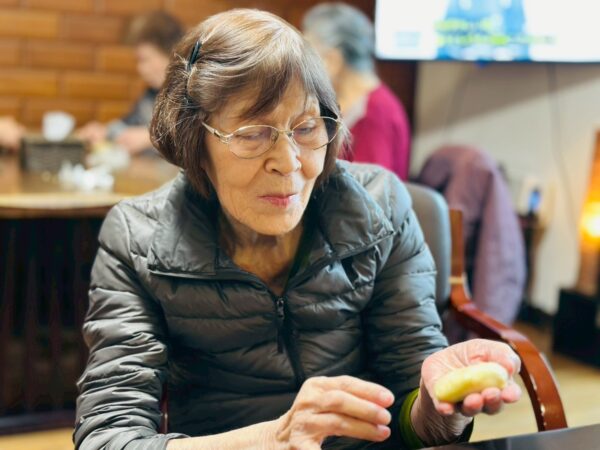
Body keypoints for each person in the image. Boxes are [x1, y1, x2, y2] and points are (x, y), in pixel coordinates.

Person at [74, 9, 522, 450]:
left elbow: (414, 420)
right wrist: (273, 439)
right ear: (194, 141)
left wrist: (441, 406)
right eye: (252, 134)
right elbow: (107, 437)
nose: (289, 162)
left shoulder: (380, 210)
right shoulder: (137, 240)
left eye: (306, 128)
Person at [302, 3, 411, 181]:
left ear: (333, 60)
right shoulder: (354, 102)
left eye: (309, 57)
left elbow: (370, 188)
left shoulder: (375, 112)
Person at [76, 11, 184, 155]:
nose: (140, 69)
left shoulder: (192, 93)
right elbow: (130, 124)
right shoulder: (152, 94)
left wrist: (151, 137)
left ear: (172, 53)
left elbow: (196, 135)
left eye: (144, 59)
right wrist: (105, 132)